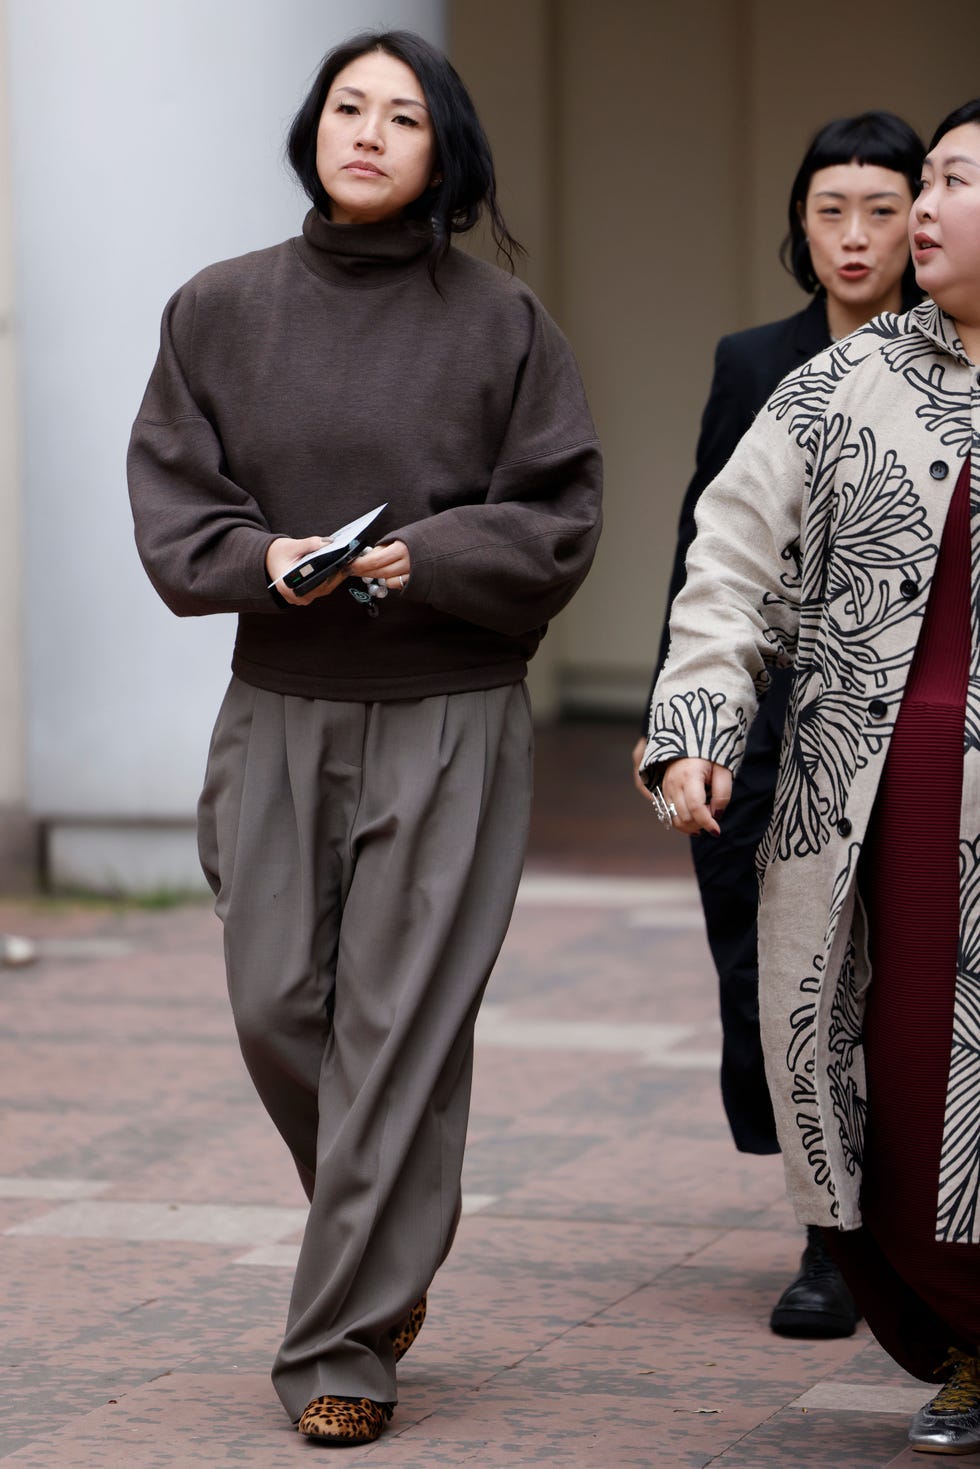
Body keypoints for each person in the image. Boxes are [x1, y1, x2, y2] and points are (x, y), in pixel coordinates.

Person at [127, 30, 601, 1448]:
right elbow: (174, 502)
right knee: (282, 1003)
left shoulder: (506, 326)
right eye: (349, 107)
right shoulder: (217, 309)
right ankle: (389, 1242)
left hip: (450, 706)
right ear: (313, 129)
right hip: (276, 697)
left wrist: (430, 558)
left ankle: (343, 1342)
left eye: (403, 115)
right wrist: (261, 558)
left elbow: (562, 512)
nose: (370, 133)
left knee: (397, 1028)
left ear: (443, 150)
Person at [641, 98, 980, 1455]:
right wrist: (699, 721)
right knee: (889, 1087)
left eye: (958, 183)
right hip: (869, 802)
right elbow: (728, 569)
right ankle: (962, 1338)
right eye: (934, 179)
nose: (926, 209)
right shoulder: (835, 390)